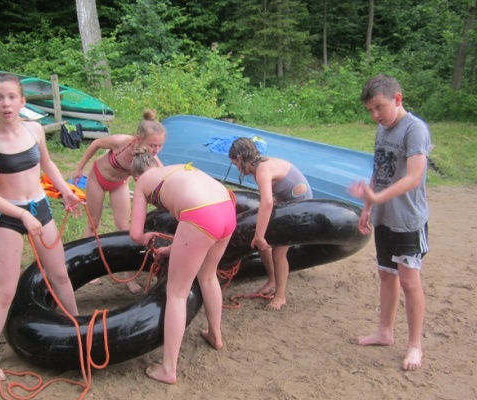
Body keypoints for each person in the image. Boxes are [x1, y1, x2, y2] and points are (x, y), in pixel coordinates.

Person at [0, 72, 82, 381]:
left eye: (11, 97)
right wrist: (21, 216)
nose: (6, 103)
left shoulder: (34, 130)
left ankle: (79, 328)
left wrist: (66, 191)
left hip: (40, 208)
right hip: (9, 216)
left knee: (60, 275)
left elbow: (47, 164)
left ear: (22, 101)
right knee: (6, 291)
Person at [129, 152, 237, 385]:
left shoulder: (142, 183)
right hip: (227, 207)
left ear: (136, 176)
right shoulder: (174, 169)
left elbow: (136, 234)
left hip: (202, 214)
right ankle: (215, 335)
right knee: (208, 276)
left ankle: (168, 369)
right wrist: (174, 248)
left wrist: (148, 237)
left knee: (177, 293)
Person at [347, 74, 431, 371]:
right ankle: (385, 332)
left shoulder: (415, 130)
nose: (375, 115)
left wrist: (377, 197)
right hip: (384, 217)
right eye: (370, 110)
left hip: (408, 219)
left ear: (397, 99)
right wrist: (368, 207)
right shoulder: (382, 130)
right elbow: (379, 170)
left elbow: (414, 177)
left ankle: (415, 345)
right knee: (386, 275)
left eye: (379, 107)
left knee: (409, 280)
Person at [70, 109, 165, 293]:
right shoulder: (121, 142)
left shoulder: (151, 157)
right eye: (153, 145)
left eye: (160, 146)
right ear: (139, 138)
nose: (156, 150)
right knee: (93, 223)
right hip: (98, 178)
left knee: (124, 227)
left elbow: (162, 174)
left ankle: (128, 277)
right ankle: (87, 266)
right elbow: (96, 144)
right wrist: (79, 168)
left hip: (119, 184)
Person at [228, 137, 313, 310]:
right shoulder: (261, 164)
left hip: (300, 208)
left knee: (278, 252)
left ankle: (280, 296)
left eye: (235, 163)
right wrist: (259, 235)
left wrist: (259, 236)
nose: (236, 167)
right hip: (286, 203)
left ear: (239, 158)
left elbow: (266, 203)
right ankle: (272, 280)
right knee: (261, 241)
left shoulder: (262, 170)